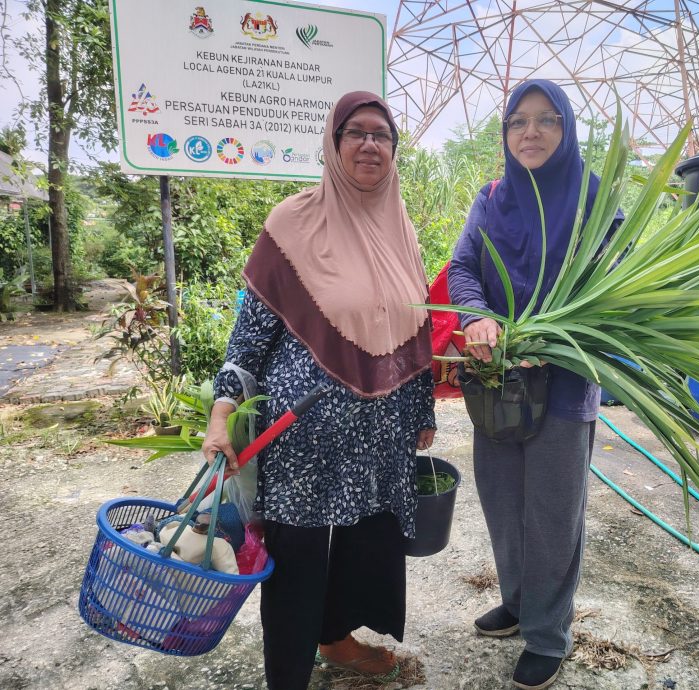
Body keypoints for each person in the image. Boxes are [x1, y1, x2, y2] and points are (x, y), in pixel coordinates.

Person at [201, 91, 436, 690]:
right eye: (354, 133)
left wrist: (423, 406)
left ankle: (336, 638)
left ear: (392, 150)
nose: (368, 144)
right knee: (299, 558)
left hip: (381, 430)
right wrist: (221, 412)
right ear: (333, 146)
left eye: (381, 135)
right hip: (302, 434)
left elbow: (417, 323)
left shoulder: (401, 227)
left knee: (363, 546)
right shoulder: (291, 224)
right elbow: (247, 339)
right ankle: (287, 675)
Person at [448, 79, 623, 690]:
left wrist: (551, 338)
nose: (530, 132)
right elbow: (464, 267)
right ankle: (520, 604)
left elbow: (616, 281)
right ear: (505, 134)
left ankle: (548, 634)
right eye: (518, 122)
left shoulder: (595, 198)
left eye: (546, 120)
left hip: (567, 384)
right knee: (502, 501)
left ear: (567, 129)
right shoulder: (491, 197)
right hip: (495, 378)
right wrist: (477, 316)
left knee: (551, 514)